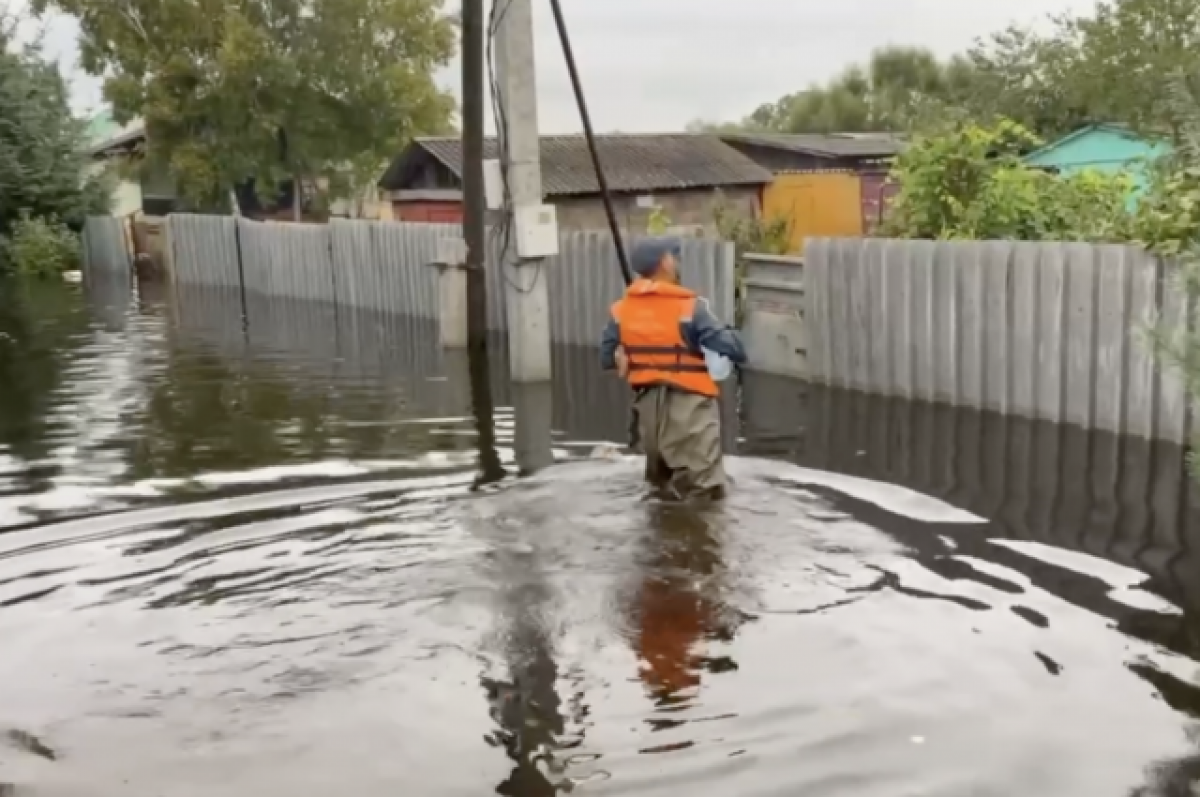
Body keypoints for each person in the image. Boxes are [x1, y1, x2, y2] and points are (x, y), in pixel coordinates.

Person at [599, 236, 746, 499]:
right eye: (675, 257)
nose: (677, 262)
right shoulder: (690, 309)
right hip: (690, 417)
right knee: (706, 497)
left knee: (661, 495)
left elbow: (607, 358)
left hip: (648, 417)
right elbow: (735, 350)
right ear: (666, 262)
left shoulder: (621, 311)